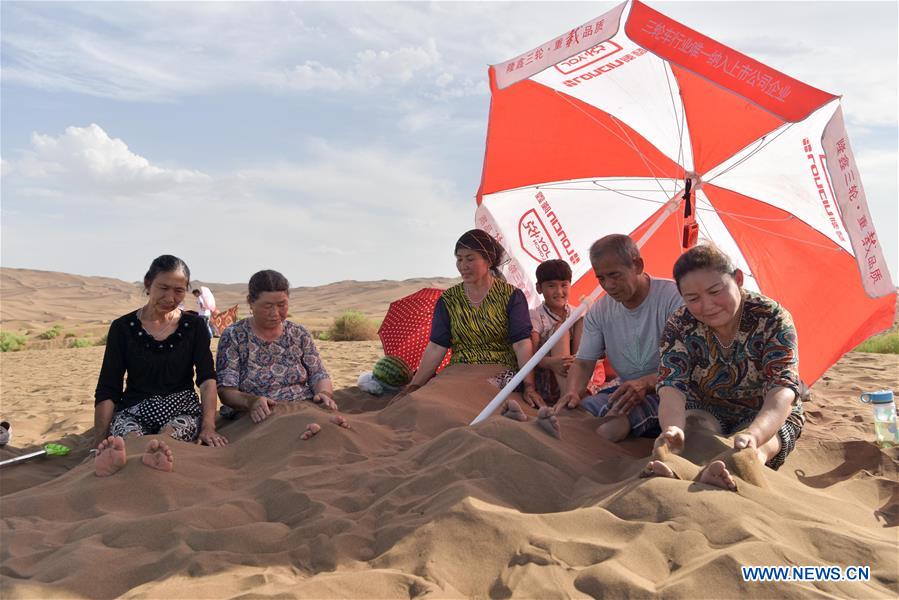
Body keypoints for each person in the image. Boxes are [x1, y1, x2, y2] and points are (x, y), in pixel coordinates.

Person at [643, 245, 803, 490]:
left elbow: (782, 389)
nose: (707, 305)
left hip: (762, 411)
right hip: (706, 406)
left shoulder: (772, 317)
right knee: (693, 431)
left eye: (715, 291)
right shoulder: (679, 324)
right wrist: (673, 428)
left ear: (737, 279)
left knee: (754, 449)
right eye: (693, 299)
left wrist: (754, 434)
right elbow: (671, 386)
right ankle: (679, 469)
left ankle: (739, 469)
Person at [93, 255, 228, 477]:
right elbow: (108, 387)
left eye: (179, 290)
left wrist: (208, 427)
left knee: (170, 436)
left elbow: (206, 380)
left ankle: (156, 456)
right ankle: (124, 456)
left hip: (181, 407)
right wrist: (98, 442)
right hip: (133, 410)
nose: (170, 297)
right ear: (148, 284)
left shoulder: (194, 326)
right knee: (129, 437)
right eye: (163, 288)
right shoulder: (122, 328)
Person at [554, 234, 683, 442]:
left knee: (617, 423)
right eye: (601, 279)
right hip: (626, 388)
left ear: (637, 266)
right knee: (577, 411)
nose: (609, 285)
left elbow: (688, 365)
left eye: (615, 275)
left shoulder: (674, 298)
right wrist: (572, 392)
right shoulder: (599, 312)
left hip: (676, 389)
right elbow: (584, 363)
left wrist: (646, 383)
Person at [396, 229, 542, 408]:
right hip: (459, 370)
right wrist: (414, 386)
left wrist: (529, 386)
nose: (463, 265)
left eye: (470, 259)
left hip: (500, 369)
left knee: (470, 395)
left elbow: (521, 343)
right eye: (459, 259)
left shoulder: (511, 296)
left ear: (489, 260)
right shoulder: (448, 300)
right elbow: (436, 346)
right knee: (434, 397)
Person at [216, 269, 336, 423]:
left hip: (302, 405)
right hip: (258, 413)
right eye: (267, 306)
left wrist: (324, 394)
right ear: (250, 302)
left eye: (282, 305)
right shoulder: (234, 335)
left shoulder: (299, 333)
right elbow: (226, 391)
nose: (275, 313)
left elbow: (318, 374)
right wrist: (251, 401)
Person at [529, 259, 583, 404]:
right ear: (539, 288)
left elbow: (584, 355)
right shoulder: (536, 316)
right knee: (561, 329)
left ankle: (576, 392)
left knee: (583, 320)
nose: (559, 292)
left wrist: (575, 361)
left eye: (564, 285)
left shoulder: (577, 313)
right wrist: (551, 363)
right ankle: (567, 397)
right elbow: (532, 357)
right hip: (549, 376)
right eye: (551, 286)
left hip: (576, 372)